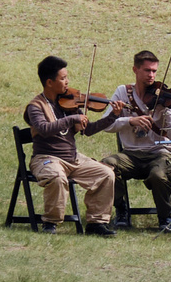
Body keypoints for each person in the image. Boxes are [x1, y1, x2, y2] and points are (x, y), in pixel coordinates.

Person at [25, 55, 115, 235]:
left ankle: (96, 223)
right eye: (63, 78)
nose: (67, 82)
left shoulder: (70, 103)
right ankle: (50, 223)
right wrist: (72, 118)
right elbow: (43, 128)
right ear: (49, 82)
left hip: (73, 159)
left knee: (106, 174)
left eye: (67, 77)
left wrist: (113, 117)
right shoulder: (35, 106)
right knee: (57, 176)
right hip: (47, 158)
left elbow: (87, 130)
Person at [101, 50, 171, 233]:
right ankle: (121, 211)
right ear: (135, 70)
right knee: (107, 165)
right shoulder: (122, 92)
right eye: (147, 70)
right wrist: (129, 120)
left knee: (158, 175)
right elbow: (106, 125)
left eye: (154, 71)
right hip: (131, 154)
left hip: (159, 153)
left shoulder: (165, 97)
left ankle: (165, 218)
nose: (151, 75)